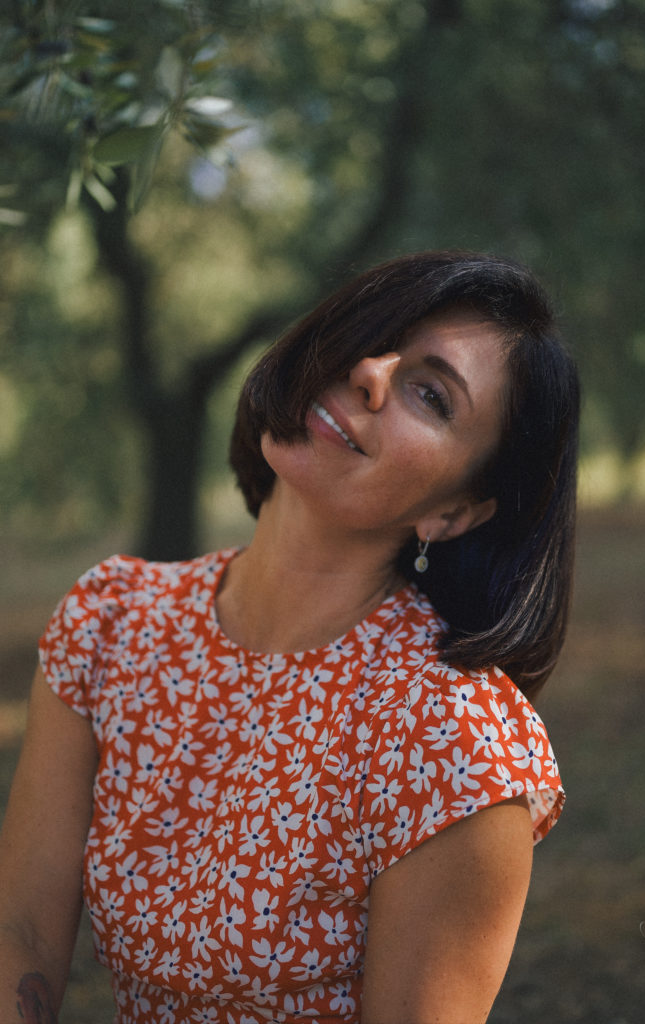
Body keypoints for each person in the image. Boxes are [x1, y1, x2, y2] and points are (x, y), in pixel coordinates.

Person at [0, 250, 579, 1024]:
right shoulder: (112, 623)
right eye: (376, 338)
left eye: (431, 395)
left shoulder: (453, 747)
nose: (369, 373)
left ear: (454, 514)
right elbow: (24, 937)